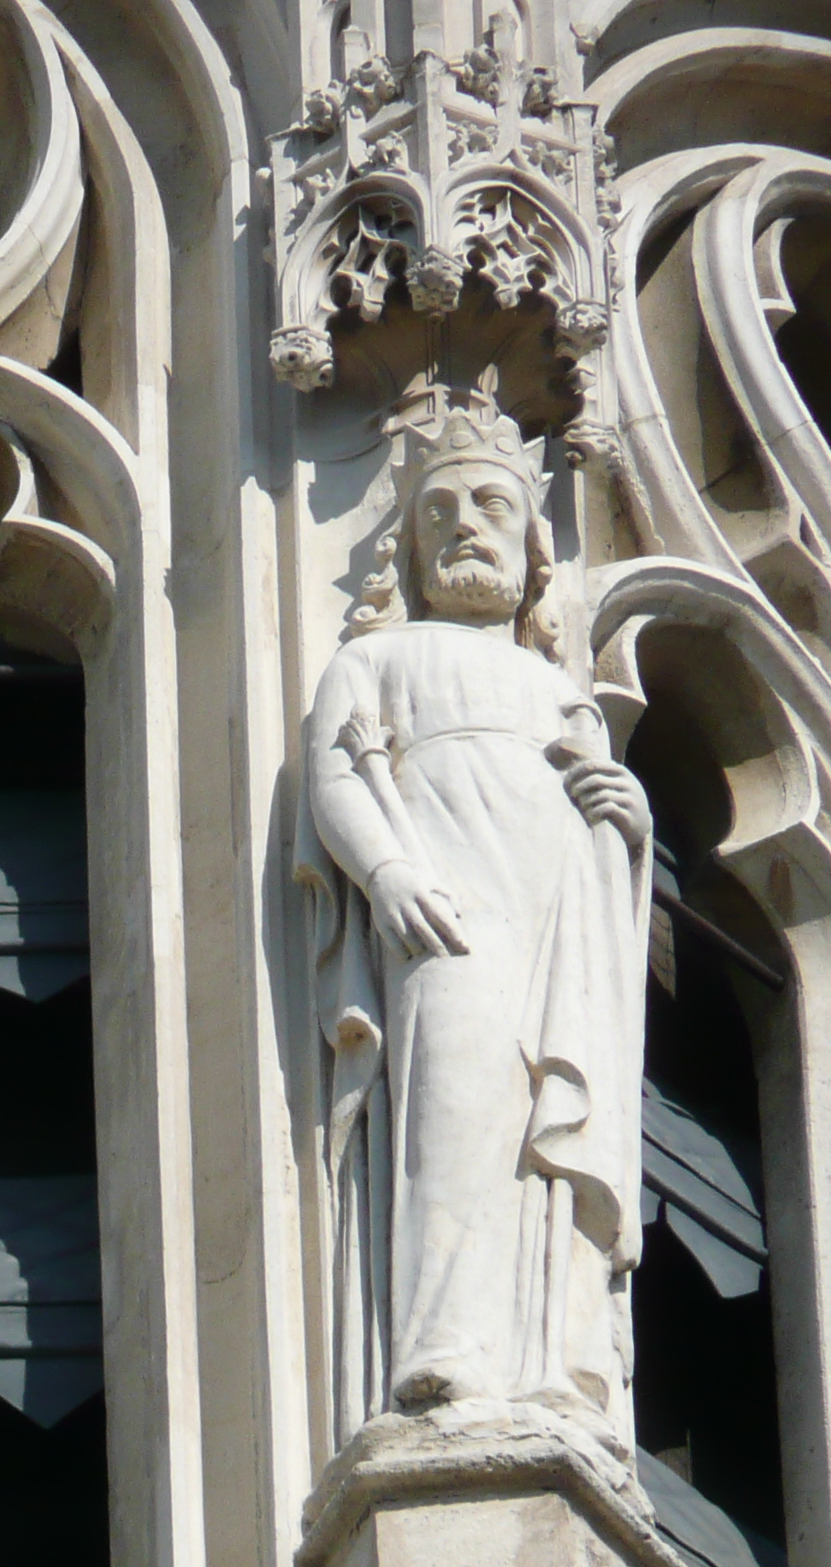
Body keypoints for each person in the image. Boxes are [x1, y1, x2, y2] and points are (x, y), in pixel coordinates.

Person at [297, 374, 650, 1445]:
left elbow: (600, 811)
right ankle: (444, 1349)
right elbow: (334, 781)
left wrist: (626, 820)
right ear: (405, 551)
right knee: (455, 1110)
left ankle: (555, 1367)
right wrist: (389, 873)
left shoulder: (556, 687)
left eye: (491, 508)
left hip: (559, 919)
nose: (464, 530)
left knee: (551, 1133)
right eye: (438, 514)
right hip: (447, 910)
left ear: (535, 548)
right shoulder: (376, 659)